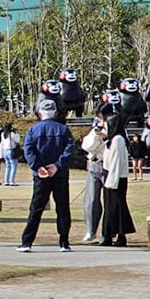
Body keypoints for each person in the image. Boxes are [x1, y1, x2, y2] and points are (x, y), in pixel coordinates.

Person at [17, 98, 74, 253]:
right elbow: (69, 149)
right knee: (62, 207)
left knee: (36, 208)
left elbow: (28, 150)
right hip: (60, 174)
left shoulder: (33, 130)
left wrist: (38, 167)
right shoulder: (63, 129)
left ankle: (27, 242)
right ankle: (64, 242)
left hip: (40, 175)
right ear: (55, 112)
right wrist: (57, 165)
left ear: (40, 113)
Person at [101, 113, 136, 247]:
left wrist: (111, 182)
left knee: (117, 207)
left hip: (116, 178)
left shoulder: (118, 140)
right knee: (109, 207)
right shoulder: (111, 140)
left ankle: (120, 235)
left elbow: (117, 161)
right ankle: (108, 234)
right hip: (110, 175)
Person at [79, 112, 108, 243]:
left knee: (110, 200)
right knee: (91, 199)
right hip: (95, 164)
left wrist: (105, 136)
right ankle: (90, 230)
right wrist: (97, 136)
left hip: (108, 165)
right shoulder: (95, 131)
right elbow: (87, 146)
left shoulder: (114, 130)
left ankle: (108, 232)